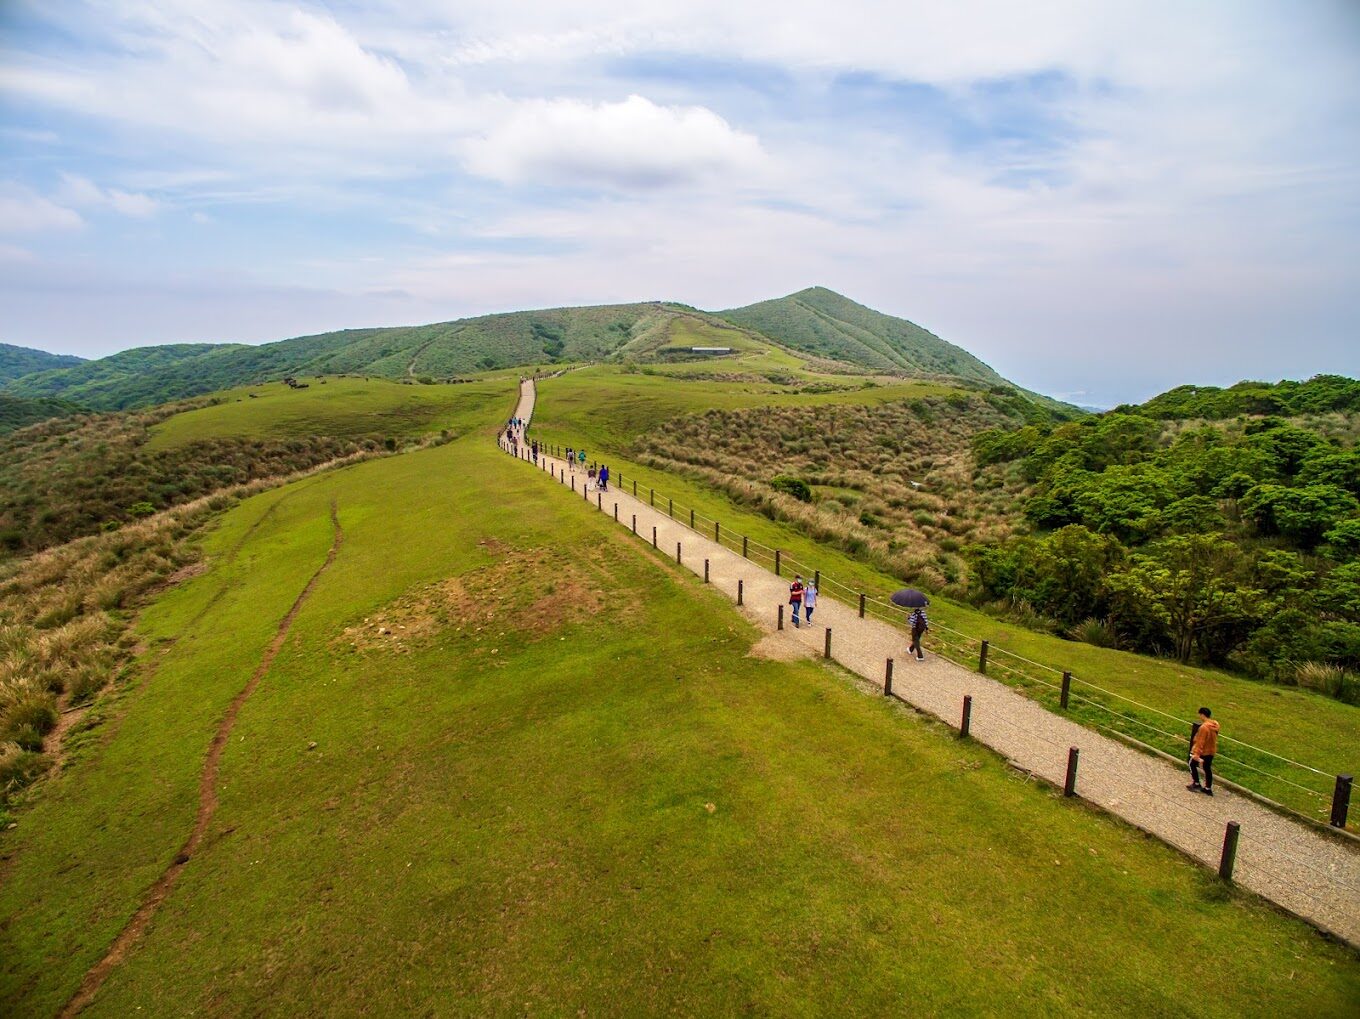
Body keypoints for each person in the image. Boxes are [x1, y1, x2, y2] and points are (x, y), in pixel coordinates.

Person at [1187, 707, 1219, 796]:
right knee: (1207, 768)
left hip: (1204, 751)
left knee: (1192, 764)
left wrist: (1196, 754)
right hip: (1211, 750)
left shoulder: (1204, 728)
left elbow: (1200, 742)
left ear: (1202, 715)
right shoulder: (1215, 725)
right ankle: (1208, 788)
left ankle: (1196, 783)